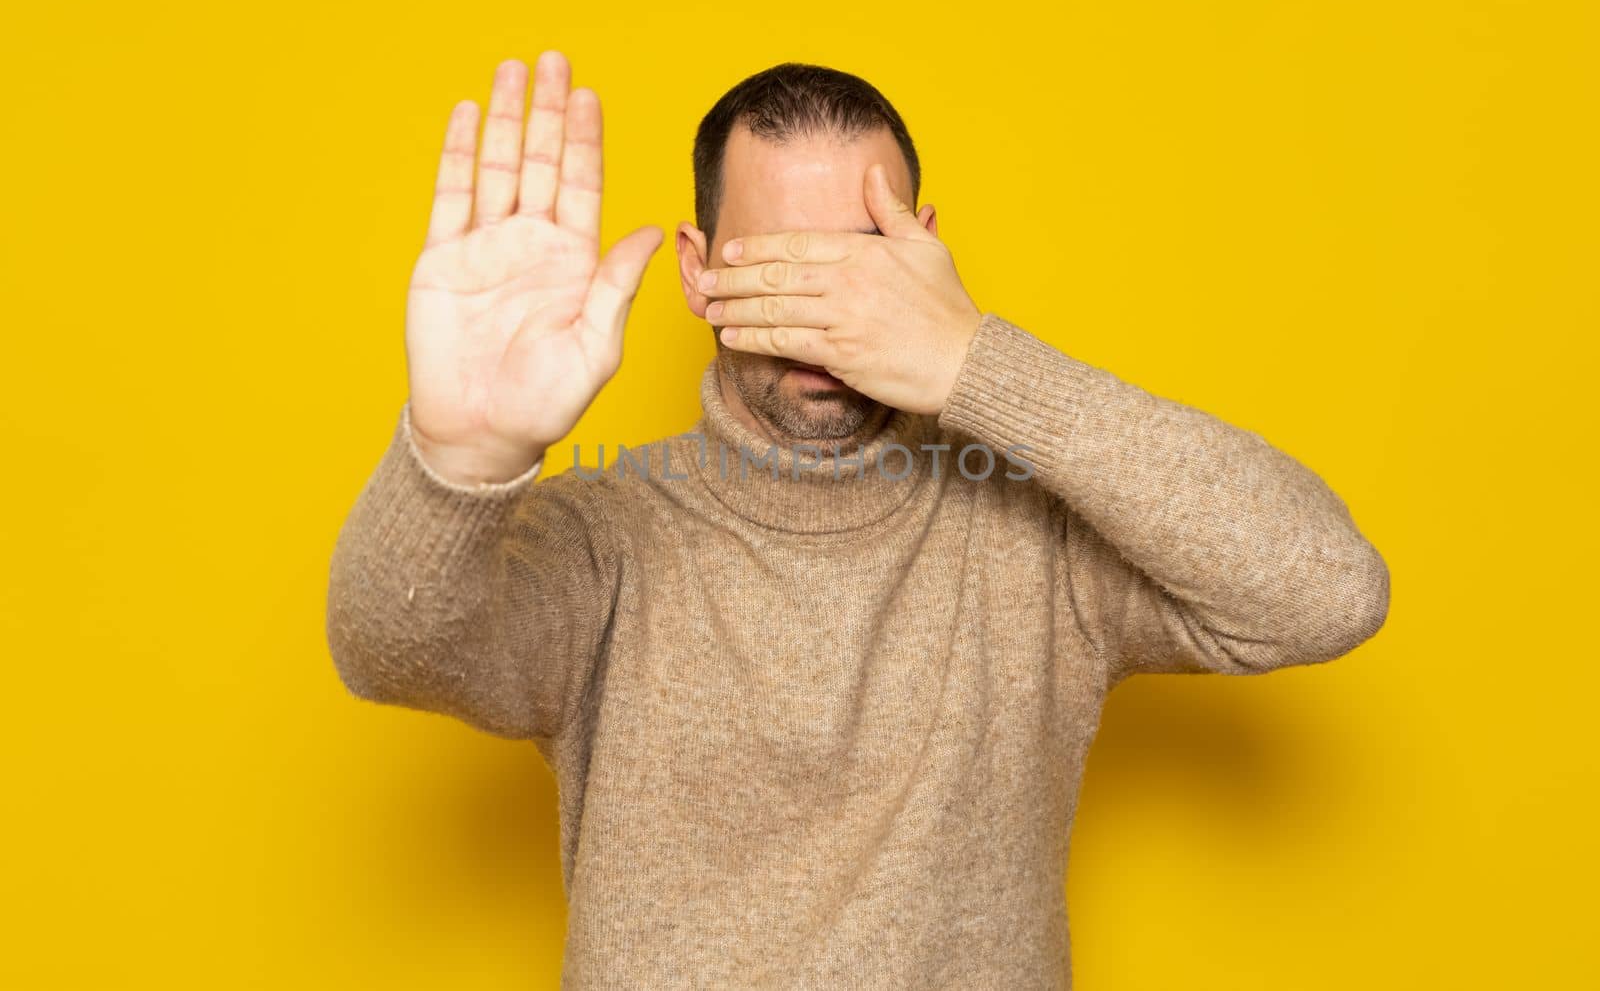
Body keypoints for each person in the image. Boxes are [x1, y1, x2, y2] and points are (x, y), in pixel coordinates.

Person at [325, 50, 1390, 989]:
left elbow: (1324, 591)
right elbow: (387, 647)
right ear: (697, 273)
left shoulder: (1038, 537)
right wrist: (461, 453)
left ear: (923, 251)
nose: (820, 314)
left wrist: (978, 362)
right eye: (775, 264)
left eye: (858, 259)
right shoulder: (607, 537)